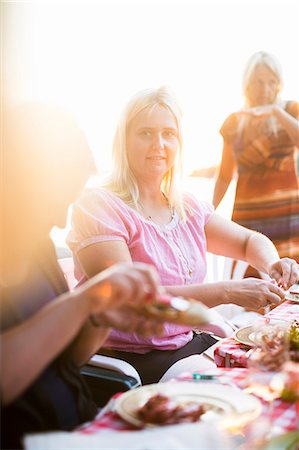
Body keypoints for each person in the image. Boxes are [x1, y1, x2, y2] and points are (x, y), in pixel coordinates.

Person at [67, 86, 298, 385]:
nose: (159, 144)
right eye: (145, 133)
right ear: (123, 141)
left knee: (279, 368)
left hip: (187, 344)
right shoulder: (99, 206)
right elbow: (131, 300)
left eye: (168, 133)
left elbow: (247, 241)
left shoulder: (186, 206)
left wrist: (273, 263)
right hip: (131, 360)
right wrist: (227, 292)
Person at [0, 102, 165, 449]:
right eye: (53, 202)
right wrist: (80, 303)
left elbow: (68, 360)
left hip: (80, 427)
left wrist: (97, 316)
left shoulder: (37, 246)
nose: (62, 222)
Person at [213, 51, 299, 275]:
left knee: (290, 281)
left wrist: (275, 112)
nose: (265, 89)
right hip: (248, 218)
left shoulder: (290, 110)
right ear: (248, 84)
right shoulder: (234, 121)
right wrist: (206, 214)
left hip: (287, 216)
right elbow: (224, 176)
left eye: (271, 82)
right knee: (251, 286)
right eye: (259, 82)